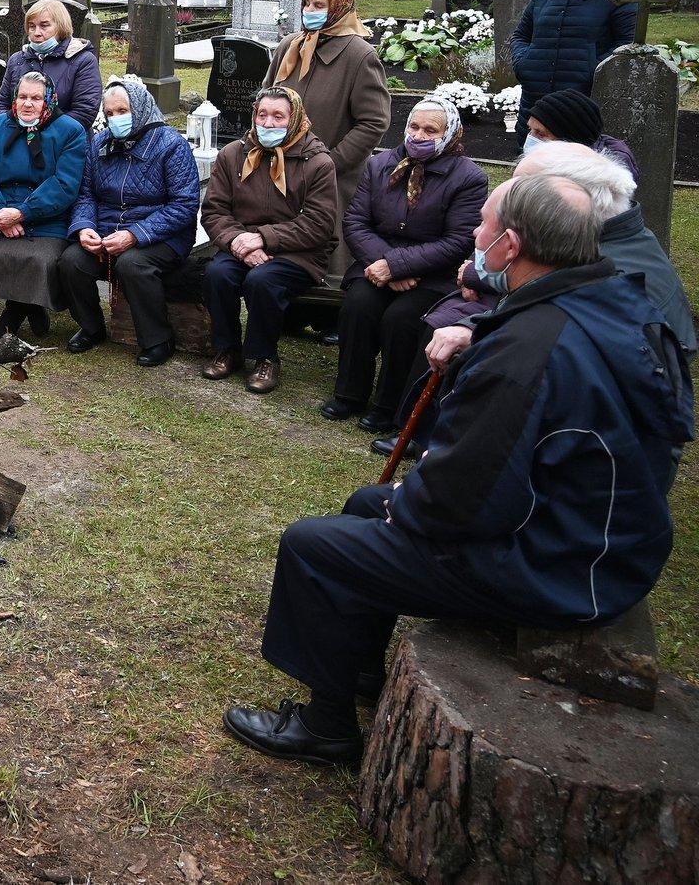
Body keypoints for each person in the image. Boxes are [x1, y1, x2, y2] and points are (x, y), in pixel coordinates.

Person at [225, 174, 691, 766]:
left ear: (512, 246)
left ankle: (326, 728)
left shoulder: (529, 352)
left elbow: (467, 493)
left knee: (314, 546)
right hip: (599, 536)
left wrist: (410, 501)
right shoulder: (603, 299)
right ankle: (356, 666)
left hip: (564, 565)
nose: (475, 234)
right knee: (364, 506)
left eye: (485, 227)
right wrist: (478, 335)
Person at [369, 141, 698, 456]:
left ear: (567, 201)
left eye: (521, 192)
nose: (508, 202)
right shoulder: (593, 247)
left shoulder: (618, 274)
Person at [322, 96, 488, 431]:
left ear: (450, 134)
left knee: (402, 319)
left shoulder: (468, 177)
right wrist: (386, 266)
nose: (419, 135)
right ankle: (349, 394)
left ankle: (388, 405)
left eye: (431, 130)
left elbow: (458, 242)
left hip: (432, 276)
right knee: (358, 306)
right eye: (414, 126)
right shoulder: (381, 163)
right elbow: (355, 222)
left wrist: (397, 266)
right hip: (375, 265)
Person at [200, 86, 340, 394]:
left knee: (262, 281)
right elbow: (214, 210)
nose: (268, 123)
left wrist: (263, 238)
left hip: (299, 250)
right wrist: (238, 240)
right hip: (241, 243)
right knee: (217, 273)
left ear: (295, 119)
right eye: (262, 114)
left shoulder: (317, 162)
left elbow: (318, 224)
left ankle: (265, 357)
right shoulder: (234, 154)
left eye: (278, 116)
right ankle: (227, 348)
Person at [59, 76, 202, 365]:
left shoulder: (171, 145)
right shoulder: (100, 142)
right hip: (108, 231)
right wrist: (85, 227)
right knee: (71, 260)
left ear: (140, 108)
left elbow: (184, 205)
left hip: (163, 236)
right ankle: (92, 327)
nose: (115, 119)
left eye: (123, 111)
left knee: (132, 263)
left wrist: (135, 234)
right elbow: (86, 194)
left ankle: (158, 339)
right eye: (109, 114)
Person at [264, 0, 390, 278]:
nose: (310, 9)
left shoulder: (360, 55)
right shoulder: (290, 46)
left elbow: (374, 122)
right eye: (307, 3)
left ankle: (325, 313)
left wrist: (329, 163)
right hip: (280, 167)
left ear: (339, 9)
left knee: (327, 256)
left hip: (333, 175)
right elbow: (264, 98)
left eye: (319, 5)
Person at [0, 70, 89, 342]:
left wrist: (22, 213)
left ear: (49, 101)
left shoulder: (70, 131)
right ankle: (31, 306)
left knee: (40, 259)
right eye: (22, 96)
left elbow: (65, 184)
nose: (28, 103)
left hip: (48, 218)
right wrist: (1, 213)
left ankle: (13, 314)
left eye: (36, 98)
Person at [511, 0, 637, 115]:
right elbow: (521, 35)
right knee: (533, 143)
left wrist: (592, 72)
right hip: (536, 95)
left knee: (575, 145)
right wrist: (524, 64)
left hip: (582, 97)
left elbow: (626, 45)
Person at [0, 0, 103, 131]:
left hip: (64, 144)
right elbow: (0, 104)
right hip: (18, 142)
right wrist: (17, 132)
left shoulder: (83, 60)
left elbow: (85, 111)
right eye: (32, 26)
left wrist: (41, 136)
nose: (37, 33)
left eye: (44, 25)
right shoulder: (17, 60)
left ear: (61, 26)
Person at [524, 88, 639, 183]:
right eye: (530, 130)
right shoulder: (551, 165)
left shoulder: (598, 183)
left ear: (571, 140)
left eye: (541, 134)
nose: (531, 138)